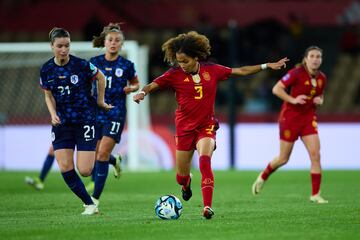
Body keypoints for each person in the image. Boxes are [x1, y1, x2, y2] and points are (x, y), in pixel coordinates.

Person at [133, 31, 288, 219]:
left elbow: (240, 71)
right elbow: (152, 85)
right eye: (179, 61)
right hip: (184, 128)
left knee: (204, 161)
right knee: (181, 176)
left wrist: (266, 65)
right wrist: (142, 93)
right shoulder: (174, 74)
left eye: (185, 61)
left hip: (206, 126)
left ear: (196, 57)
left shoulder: (212, 70)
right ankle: (186, 183)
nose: (182, 65)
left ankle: (207, 207)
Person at [40, 27, 112, 215]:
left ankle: (109, 159)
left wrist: (100, 100)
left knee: (85, 170)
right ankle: (89, 204)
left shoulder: (82, 65)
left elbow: (101, 77)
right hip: (62, 123)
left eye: (67, 46)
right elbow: (48, 95)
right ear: (52, 46)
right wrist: (52, 113)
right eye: (60, 46)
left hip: (85, 121)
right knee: (65, 166)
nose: (64, 50)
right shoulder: (46, 69)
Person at [252, 46, 328, 204]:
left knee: (316, 155)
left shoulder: (322, 78)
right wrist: (293, 100)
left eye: (318, 57)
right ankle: (263, 176)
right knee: (283, 158)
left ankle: (315, 194)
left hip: (308, 119)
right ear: (305, 59)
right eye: (312, 56)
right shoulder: (296, 73)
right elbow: (276, 89)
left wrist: (319, 101)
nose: (315, 59)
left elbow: (320, 96)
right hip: (290, 119)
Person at [85, 23, 139, 201]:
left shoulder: (126, 65)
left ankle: (94, 201)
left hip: (115, 113)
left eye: (117, 40)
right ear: (105, 42)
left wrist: (131, 89)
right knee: (94, 153)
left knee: (101, 155)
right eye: (110, 40)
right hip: (96, 112)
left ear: (122, 44)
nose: (113, 43)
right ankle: (114, 161)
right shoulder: (94, 62)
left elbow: (136, 83)